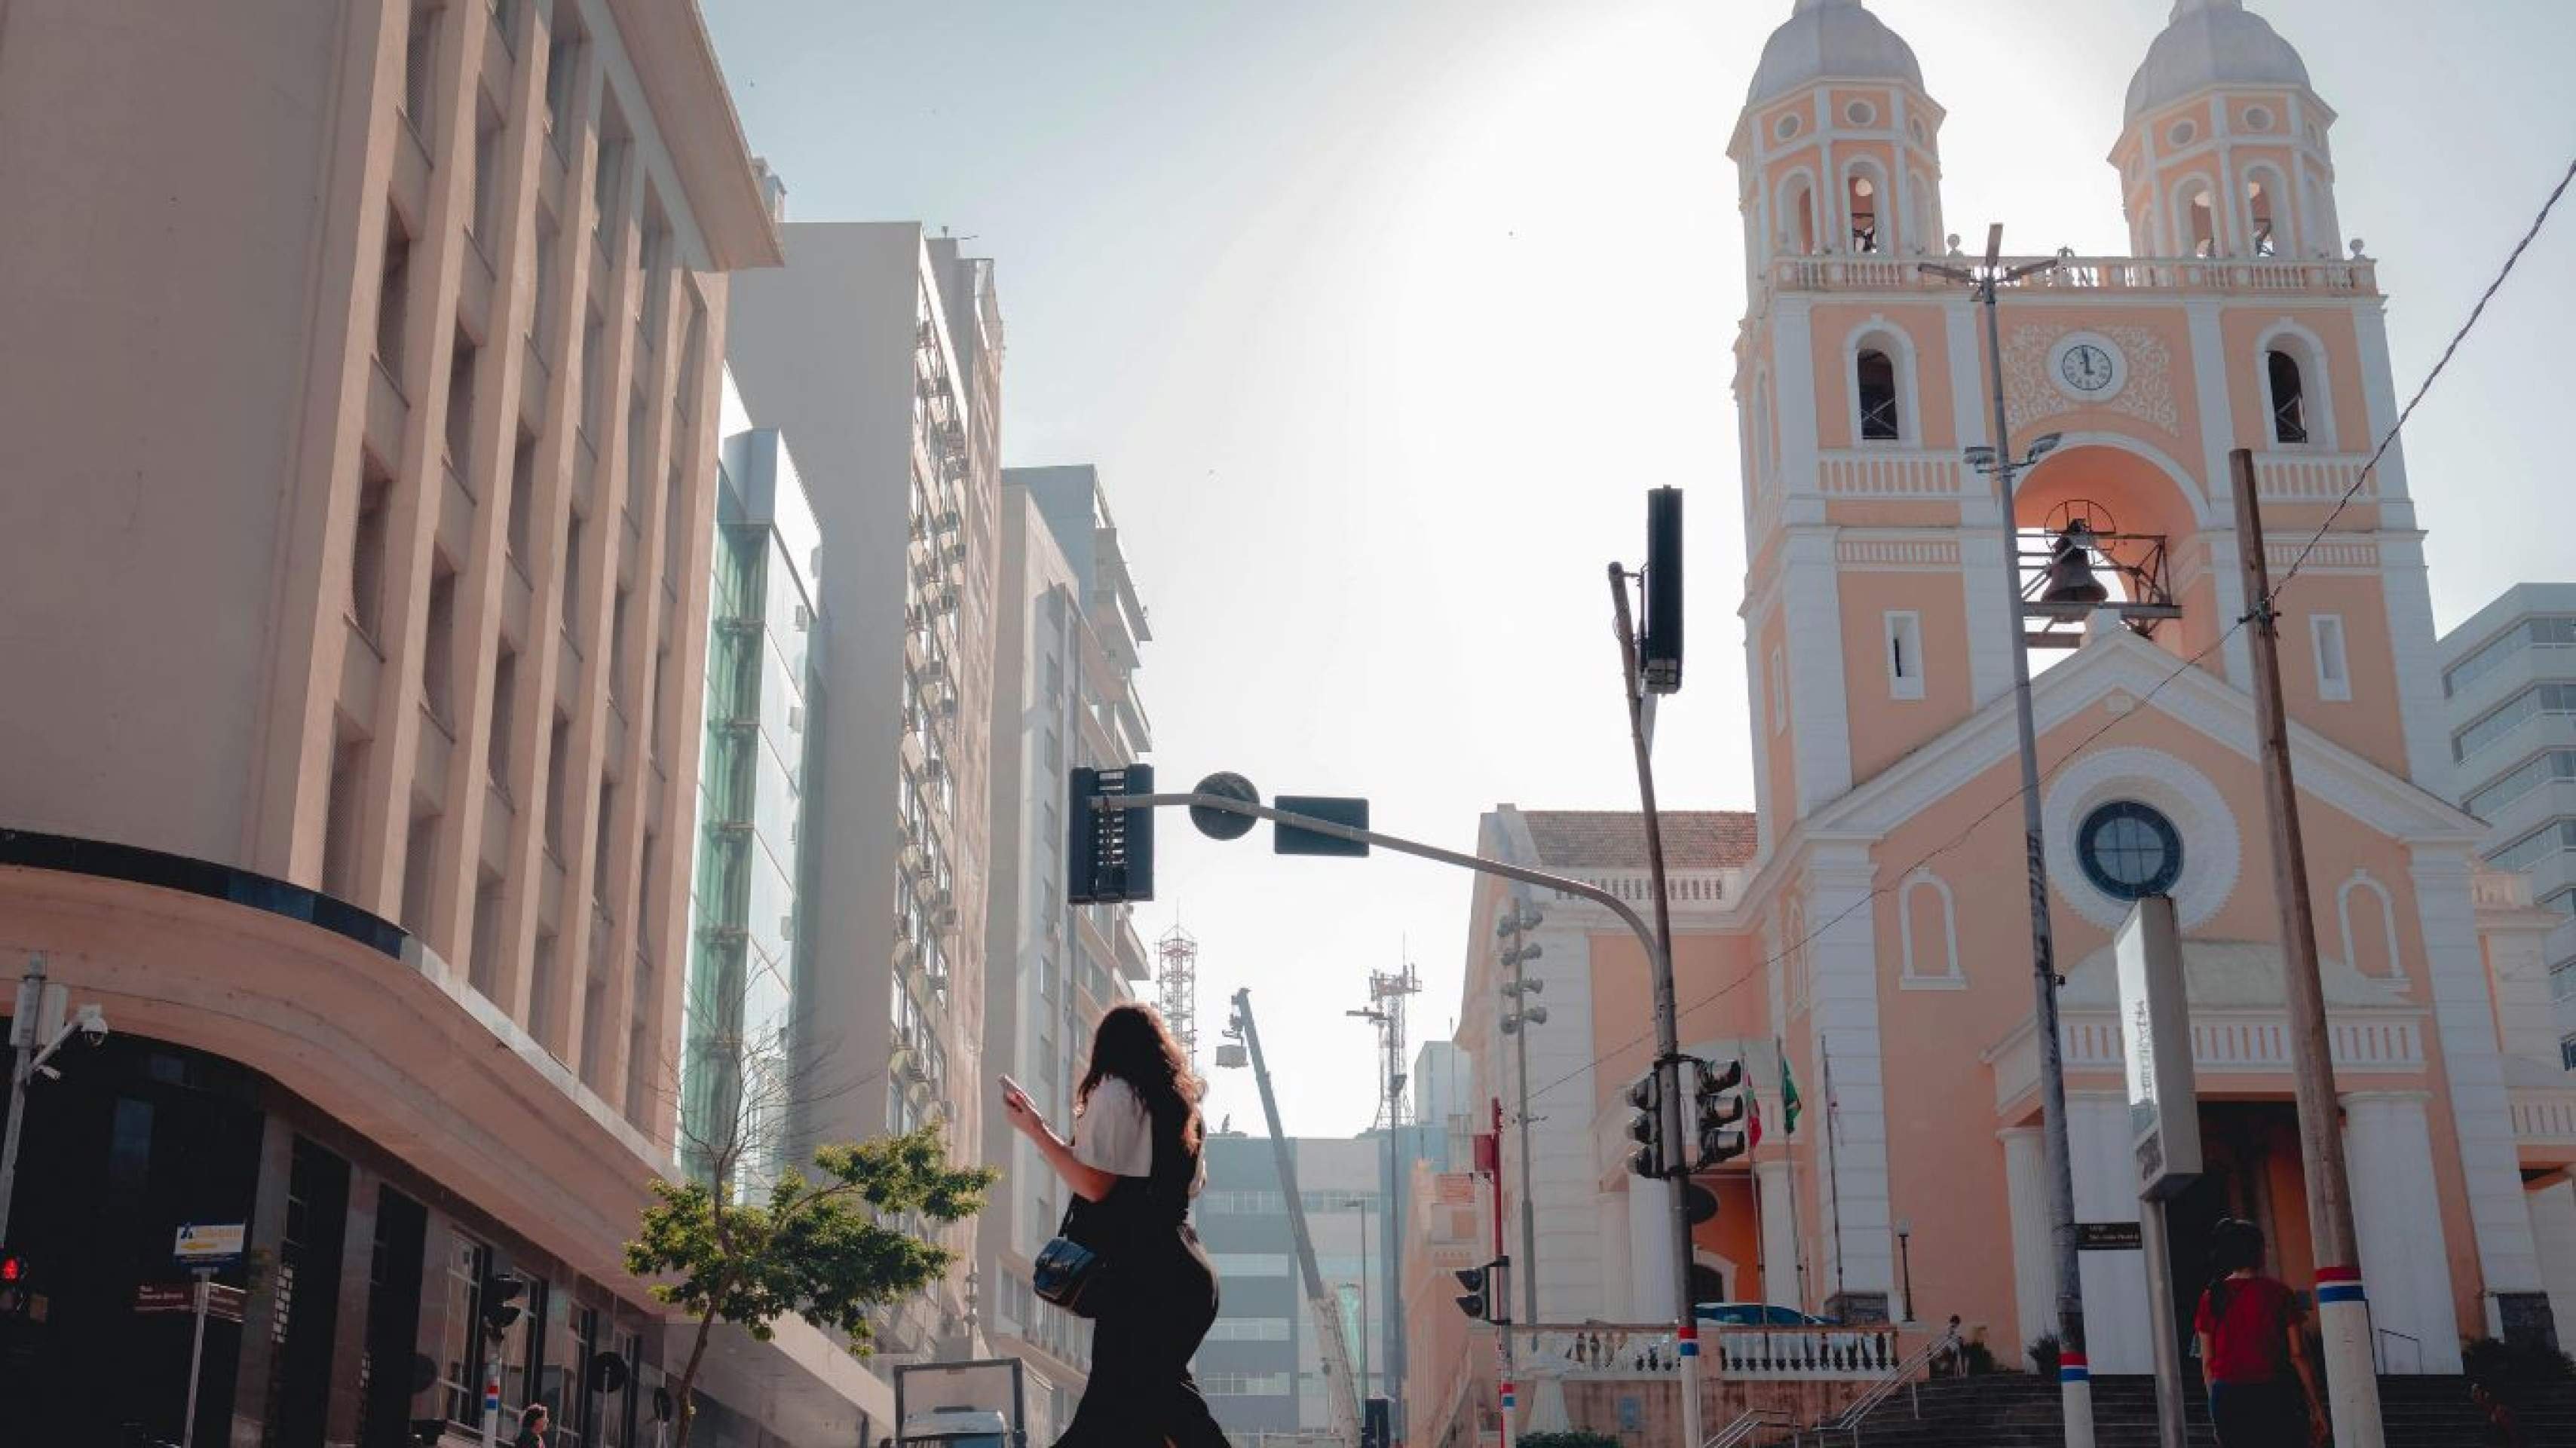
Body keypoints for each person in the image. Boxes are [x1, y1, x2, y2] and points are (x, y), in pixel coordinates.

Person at [1000, 1003, 1227, 1447]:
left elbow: (1094, 1183)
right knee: (1148, 1407)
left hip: (1143, 1279)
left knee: (1121, 1411)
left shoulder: (1114, 1093)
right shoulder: (1186, 1111)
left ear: (1107, 1048)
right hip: (1188, 1275)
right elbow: (1188, 1185)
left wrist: (1034, 1131)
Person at [2192, 1218, 2326, 1447]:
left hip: (2228, 1398)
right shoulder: (2280, 1294)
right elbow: (2298, 1355)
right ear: (2257, 1253)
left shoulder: (2211, 1297)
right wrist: (2317, 1406)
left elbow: (2208, 1363)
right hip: (2273, 1394)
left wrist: (2216, 1414)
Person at [2470, 1380, 2523, 1447]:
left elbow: (2511, 1431)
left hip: (2501, 1418)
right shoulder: (2483, 1401)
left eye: (2475, 1391)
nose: (2474, 1394)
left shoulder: (2498, 1408)